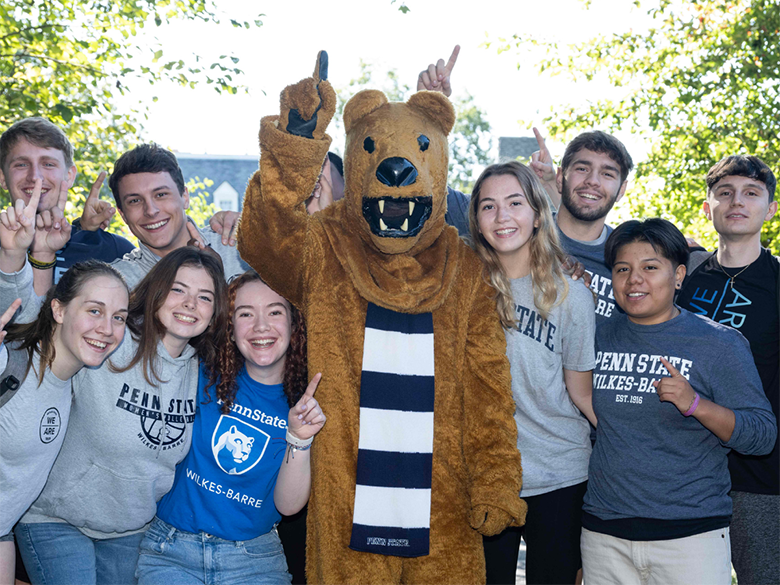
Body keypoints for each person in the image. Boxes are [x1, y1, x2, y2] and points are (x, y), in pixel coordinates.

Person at [0, 241, 228, 585]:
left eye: (205, 297)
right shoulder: (110, 341)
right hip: (56, 518)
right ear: (157, 292)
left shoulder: (205, 372)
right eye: (178, 289)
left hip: (130, 529)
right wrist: (25, 257)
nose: (190, 303)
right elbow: (35, 320)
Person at [582, 218, 777, 585]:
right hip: (604, 535)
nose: (634, 279)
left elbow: (762, 435)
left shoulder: (719, 343)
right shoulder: (596, 337)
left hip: (690, 538)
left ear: (679, 275)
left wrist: (695, 404)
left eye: (650, 267)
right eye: (622, 269)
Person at [135, 271, 325, 584]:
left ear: (294, 325)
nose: (261, 326)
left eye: (275, 312)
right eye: (245, 314)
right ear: (231, 327)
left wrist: (299, 438)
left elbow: (288, 506)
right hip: (170, 551)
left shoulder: (306, 405)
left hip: (254, 559)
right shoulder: (197, 373)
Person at [467, 161, 596, 585]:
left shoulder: (571, 295)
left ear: (538, 213)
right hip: (484, 474)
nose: (503, 216)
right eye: (489, 206)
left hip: (560, 472)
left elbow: (581, 394)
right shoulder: (461, 290)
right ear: (477, 221)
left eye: (515, 203)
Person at [676, 155, 779, 585]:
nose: (737, 202)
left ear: (770, 209)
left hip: (760, 477)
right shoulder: (683, 273)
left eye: (752, 193)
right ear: (707, 206)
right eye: (725, 193)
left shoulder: (776, 282)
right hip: (685, 470)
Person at [0, 260, 128, 585]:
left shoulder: (77, 383)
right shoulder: (10, 363)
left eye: (119, 318)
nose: (107, 329)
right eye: (94, 311)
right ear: (58, 310)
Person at [0, 117, 134, 294]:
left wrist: (83, 232)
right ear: (2, 178)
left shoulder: (112, 251)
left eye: (48, 164)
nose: (35, 176)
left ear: (70, 175)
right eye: (22, 164)